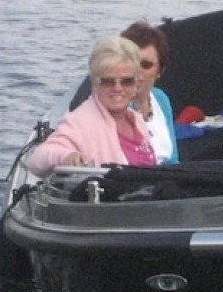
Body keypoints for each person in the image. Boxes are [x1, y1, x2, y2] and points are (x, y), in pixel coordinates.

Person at [26, 36, 156, 177]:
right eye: (108, 81)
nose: (118, 88)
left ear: (136, 82)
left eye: (126, 81)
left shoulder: (136, 119)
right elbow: (37, 159)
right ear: (95, 83)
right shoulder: (80, 121)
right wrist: (66, 156)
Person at [121, 20, 179, 165]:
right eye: (131, 62)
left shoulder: (161, 99)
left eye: (146, 65)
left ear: (160, 71)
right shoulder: (113, 104)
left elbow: (173, 159)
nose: (137, 71)